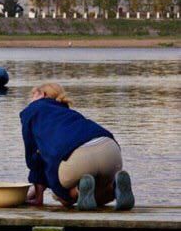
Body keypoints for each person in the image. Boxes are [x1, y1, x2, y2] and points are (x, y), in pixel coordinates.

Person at [20, 83, 134, 211]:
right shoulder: (68, 112)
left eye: (33, 94)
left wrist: (37, 196)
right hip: (110, 150)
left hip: (77, 157)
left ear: (42, 94)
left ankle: (79, 190)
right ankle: (115, 189)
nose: (30, 99)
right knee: (99, 188)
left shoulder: (32, 110)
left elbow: (33, 157)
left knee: (63, 196)